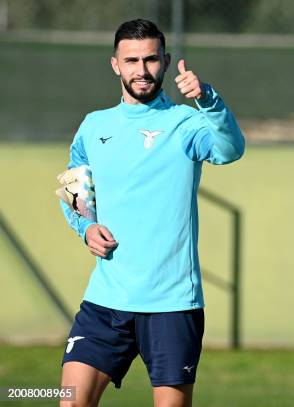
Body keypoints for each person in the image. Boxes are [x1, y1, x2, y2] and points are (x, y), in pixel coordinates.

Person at [58, 19, 245, 407]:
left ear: (166, 61)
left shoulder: (188, 122)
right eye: (131, 60)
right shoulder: (94, 126)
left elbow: (230, 150)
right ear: (115, 65)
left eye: (150, 60)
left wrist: (208, 98)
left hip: (172, 304)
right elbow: (74, 188)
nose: (141, 70)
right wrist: (86, 227)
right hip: (106, 302)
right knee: (71, 400)